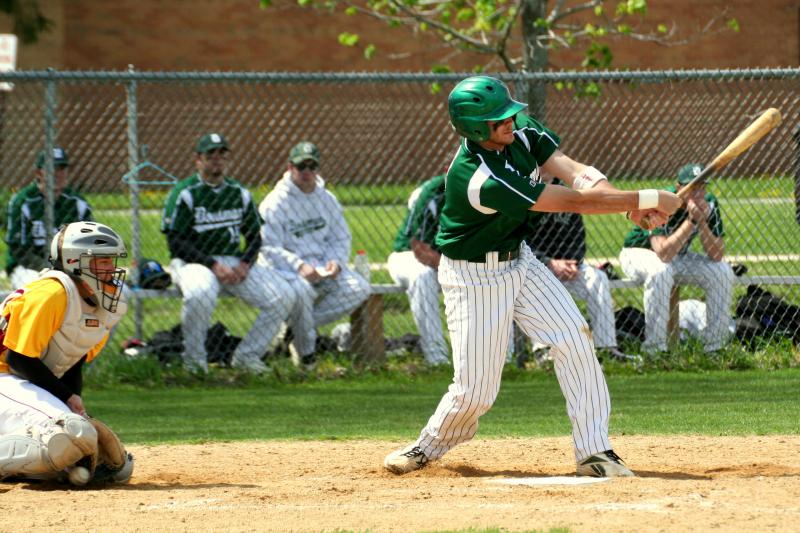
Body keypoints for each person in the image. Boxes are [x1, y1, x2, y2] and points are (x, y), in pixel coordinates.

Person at [383, 75, 680, 478]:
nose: (509, 121)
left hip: (519, 261)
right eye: (497, 119)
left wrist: (627, 206)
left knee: (574, 337)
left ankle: (594, 452)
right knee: (477, 390)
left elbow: (574, 173)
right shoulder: (478, 176)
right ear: (474, 128)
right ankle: (428, 445)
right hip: (474, 279)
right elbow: (572, 202)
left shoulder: (519, 132)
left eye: (508, 113)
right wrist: (645, 199)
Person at [0, 221, 133, 485]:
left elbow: (73, 361)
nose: (111, 269)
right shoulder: (51, 293)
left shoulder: (101, 304)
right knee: (71, 434)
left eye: (112, 261)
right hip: (6, 376)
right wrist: (68, 400)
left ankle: (33, 469)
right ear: (74, 261)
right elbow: (19, 358)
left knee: (113, 466)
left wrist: (76, 405)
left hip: (19, 384)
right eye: (102, 261)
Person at [161, 133, 297, 373]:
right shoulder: (185, 193)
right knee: (201, 293)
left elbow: (255, 235)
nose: (216, 160)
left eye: (221, 155)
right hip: (194, 262)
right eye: (210, 155)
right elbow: (176, 242)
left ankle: (247, 356)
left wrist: (245, 263)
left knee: (283, 295)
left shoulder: (238, 192)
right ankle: (194, 363)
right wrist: (213, 265)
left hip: (232, 261)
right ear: (198, 160)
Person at [258, 141, 370, 368]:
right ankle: (307, 358)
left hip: (322, 267)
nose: (307, 172)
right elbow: (268, 248)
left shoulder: (326, 199)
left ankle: (293, 328)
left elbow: (340, 237)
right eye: (301, 167)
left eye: (312, 166)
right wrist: (299, 266)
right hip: (287, 271)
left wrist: (335, 262)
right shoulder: (275, 203)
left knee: (359, 288)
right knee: (301, 291)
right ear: (290, 168)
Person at [619, 163, 734, 354]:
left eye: (702, 187)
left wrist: (702, 221)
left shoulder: (709, 202)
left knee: (722, 271)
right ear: (679, 188)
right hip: (638, 253)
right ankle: (655, 350)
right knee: (661, 271)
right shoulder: (661, 201)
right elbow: (662, 252)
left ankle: (715, 348)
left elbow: (717, 254)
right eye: (693, 188)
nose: (698, 193)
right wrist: (691, 222)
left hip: (675, 257)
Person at [525, 176, 640, 364]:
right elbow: (519, 242)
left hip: (569, 267)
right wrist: (549, 262)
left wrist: (573, 263)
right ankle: (544, 350)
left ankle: (606, 347)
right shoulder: (524, 191)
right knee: (537, 281)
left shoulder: (565, 195)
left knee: (598, 278)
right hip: (535, 266)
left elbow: (578, 236)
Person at [4, 147, 93, 289]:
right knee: (45, 288)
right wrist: (51, 269)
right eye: (52, 169)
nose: (57, 174)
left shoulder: (77, 203)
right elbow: (20, 251)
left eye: (61, 169)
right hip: (28, 268)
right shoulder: (23, 201)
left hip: (70, 266)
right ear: (39, 172)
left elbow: (90, 244)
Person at [387, 174, 449, 366]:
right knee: (422, 276)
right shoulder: (433, 192)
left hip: (450, 262)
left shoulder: (486, 188)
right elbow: (420, 249)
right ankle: (436, 357)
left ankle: (500, 358)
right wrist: (458, 270)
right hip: (409, 256)